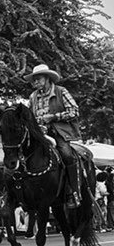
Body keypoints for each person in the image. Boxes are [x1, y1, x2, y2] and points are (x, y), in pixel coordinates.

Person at [26, 63, 82, 208]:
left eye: (38, 79)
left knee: (67, 155)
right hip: (40, 134)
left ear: (47, 78)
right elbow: (28, 116)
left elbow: (74, 111)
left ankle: (72, 192)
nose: (35, 82)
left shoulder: (61, 91)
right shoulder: (33, 97)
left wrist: (54, 117)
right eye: (34, 80)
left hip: (59, 133)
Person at [106, 166, 114, 231]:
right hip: (111, 199)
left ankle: (111, 225)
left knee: (111, 212)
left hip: (111, 199)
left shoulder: (109, 183)